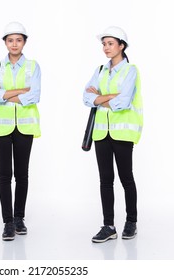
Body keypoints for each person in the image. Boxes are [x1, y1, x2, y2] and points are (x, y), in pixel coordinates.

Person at [83, 26, 143, 243]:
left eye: (110, 44)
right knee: (105, 180)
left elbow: (123, 102)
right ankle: (109, 226)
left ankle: (131, 222)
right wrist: (107, 97)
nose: (106, 48)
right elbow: (86, 96)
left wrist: (100, 97)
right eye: (104, 44)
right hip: (101, 132)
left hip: (123, 132)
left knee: (126, 178)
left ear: (121, 46)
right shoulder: (99, 70)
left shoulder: (131, 70)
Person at [0, 22, 41, 241]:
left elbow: (34, 95)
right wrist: (20, 92)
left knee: (22, 174)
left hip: (25, 126)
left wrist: (4, 93)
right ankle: (7, 222)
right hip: (1, 127)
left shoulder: (33, 66)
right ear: (5, 43)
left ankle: (19, 219)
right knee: (4, 175)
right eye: (10, 40)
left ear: (24, 42)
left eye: (19, 40)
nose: (14, 44)